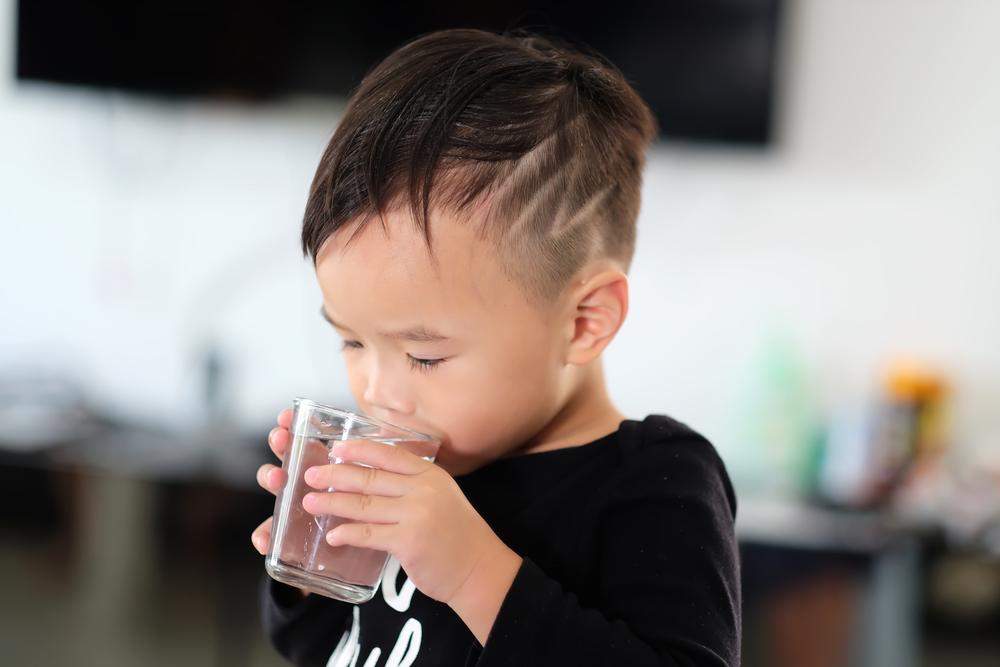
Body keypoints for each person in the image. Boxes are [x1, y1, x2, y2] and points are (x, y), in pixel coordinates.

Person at [250, 27, 741, 667]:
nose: (376, 389)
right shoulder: (422, 463)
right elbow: (318, 648)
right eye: (351, 339)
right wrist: (312, 568)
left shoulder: (656, 484)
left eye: (424, 355)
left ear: (584, 322)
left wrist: (474, 574)